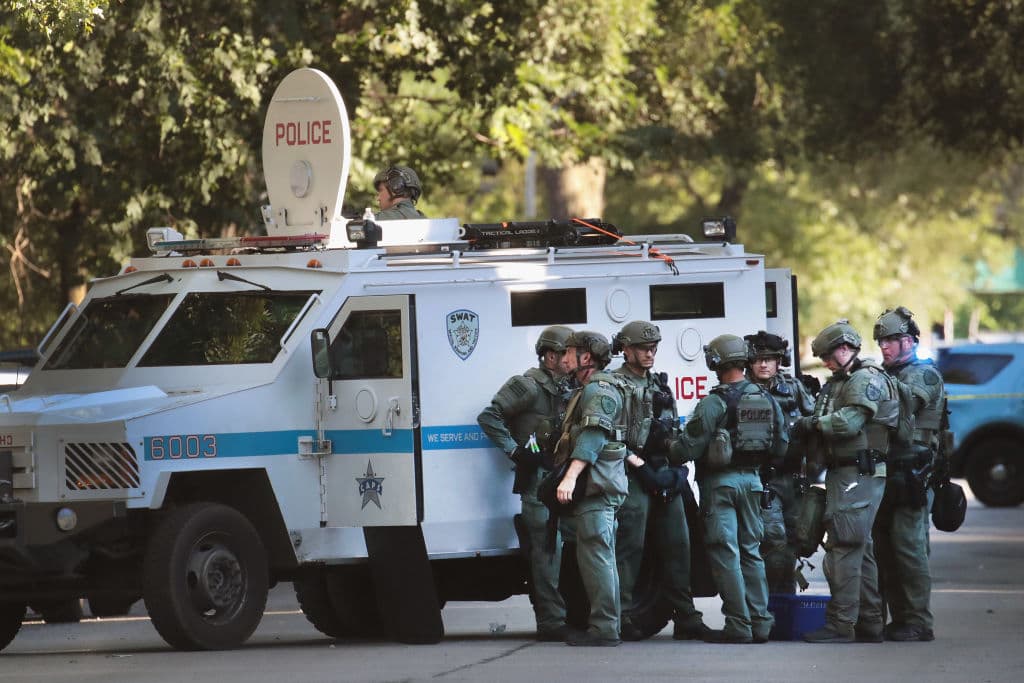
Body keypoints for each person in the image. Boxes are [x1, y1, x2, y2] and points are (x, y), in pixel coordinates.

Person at [670, 334, 788, 644]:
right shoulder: (766, 399)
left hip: (720, 485)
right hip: (753, 483)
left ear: (715, 362)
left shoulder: (714, 402)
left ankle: (738, 624)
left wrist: (667, 445)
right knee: (751, 552)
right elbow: (781, 446)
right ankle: (760, 622)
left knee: (726, 553)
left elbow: (687, 448)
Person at [795, 320, 896, 643]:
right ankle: (870, 622)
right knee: (859, 549)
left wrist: (812, 424)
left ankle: (841, 624)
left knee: (843, 546)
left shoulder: (864, 379)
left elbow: (849, 423)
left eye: (828, 355)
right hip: (848, 473)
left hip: (858, 473)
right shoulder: (844, 380)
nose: (825, 362)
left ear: (844, 349)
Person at [609, 321, 709, 641]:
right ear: (626, 349)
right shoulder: (612, 385)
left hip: (661, 469)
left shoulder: (659, 386)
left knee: (679, 544)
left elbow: (672, 432)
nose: (650, 353)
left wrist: (678, 471)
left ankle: (687, 616)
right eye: (643, 348)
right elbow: (608, 436)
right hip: (630, 473)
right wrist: (641, 469)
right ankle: (621, 615)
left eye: (653, 348)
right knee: (630, 546)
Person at [477, 325, 575, 642]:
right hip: (538, 483)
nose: (572, 359)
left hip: (563, 478)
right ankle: (551, 622)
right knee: (547, 552)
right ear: (550, 357)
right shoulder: (528, 386)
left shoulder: (570, 387)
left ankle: (567, 616)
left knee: (567, 550)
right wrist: (516, 452)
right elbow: (489, 417)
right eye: (566, 353)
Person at [872, 307, 944, 642]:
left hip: (913, 472)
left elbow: (902, 406)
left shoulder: (923, 374)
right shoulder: (887, 374)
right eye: (881, 341)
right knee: (885, 549)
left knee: (909, 547)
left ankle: (918, 620)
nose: (884, 347)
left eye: (891, 340)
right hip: (887, 471)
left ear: (909, 341)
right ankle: (900, 618)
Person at [554, 331, 627, 646]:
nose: (564, 358)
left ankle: (605, 629)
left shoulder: (599, 390)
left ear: (586, 357)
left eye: (569, 352)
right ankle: (605, 626)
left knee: (598, 557)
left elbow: (594, 435)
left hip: (596, 487)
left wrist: (570, 477)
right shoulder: (586, 389)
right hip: (594, 486)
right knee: (598, 556)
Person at [744, 331, 817, 594]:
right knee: (773, 540)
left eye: (770, 359)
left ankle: (786, 600)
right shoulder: (743, 390)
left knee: (796, 539)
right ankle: (769, 603)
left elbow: (814, 421)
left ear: (779, 361)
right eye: (758, 359)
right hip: (764, 480)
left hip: (794, 480)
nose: (764, 364)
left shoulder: (794, 388)